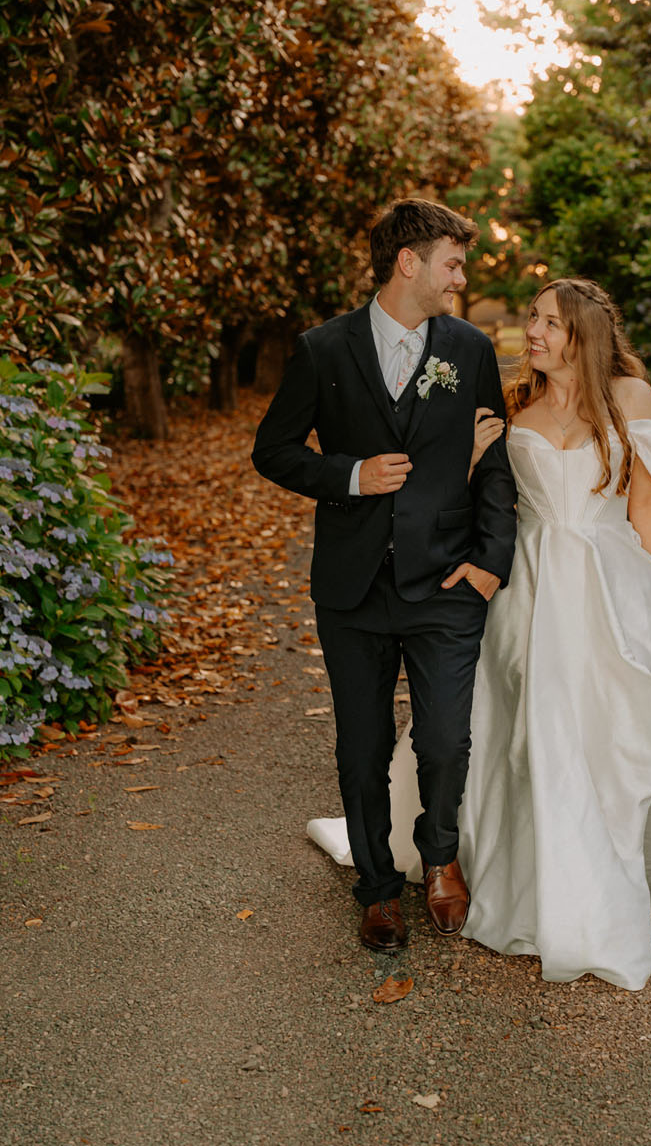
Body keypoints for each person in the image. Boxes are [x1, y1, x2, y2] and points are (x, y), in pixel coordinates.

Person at [309, 276, 651, 990]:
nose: (531, 333)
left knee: (616, 725)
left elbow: (648, 504)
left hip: (609, 581)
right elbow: (470, 500)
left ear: (584, 336)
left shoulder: (631, 400)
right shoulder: (510, 406)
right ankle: (527, 863)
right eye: (532, 320)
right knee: (527, 724)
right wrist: (470, 462)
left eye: (547, 324)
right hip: (527, 587)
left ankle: (607, 857)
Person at [252, 199, 517, 955]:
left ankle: (439, 858)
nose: (460, 279)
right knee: (361, 746)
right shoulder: (323, 349)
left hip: (447, 583)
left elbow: (493, 465)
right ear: (410, 262)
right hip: (353, 587)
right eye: (453, 264)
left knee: (443, 739)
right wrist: (348, 474)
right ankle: (375, 889)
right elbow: (273, 450)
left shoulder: (468, 349)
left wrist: (491, 563)